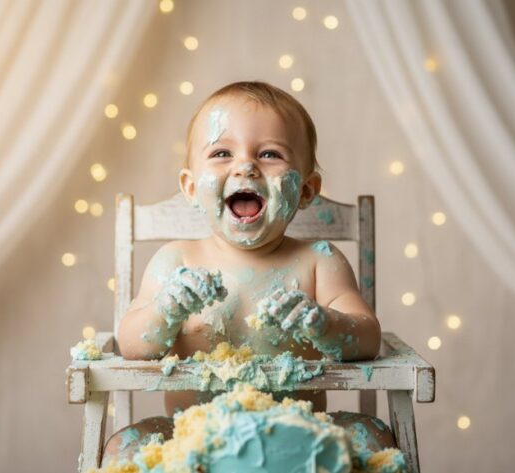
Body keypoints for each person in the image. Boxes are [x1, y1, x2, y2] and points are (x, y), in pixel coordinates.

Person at [105, 81, 395, 465]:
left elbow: (367, 337)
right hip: (190, 439)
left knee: (372, 436)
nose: (245, 166)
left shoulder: (319, 261)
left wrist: (324, 323)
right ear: (191, 187)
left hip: (301, 437)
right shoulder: (175, 261)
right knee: (123, 446)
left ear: (307, 190)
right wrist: (165, 310)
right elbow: (131, 344)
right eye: (222, 152)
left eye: (270, 154)